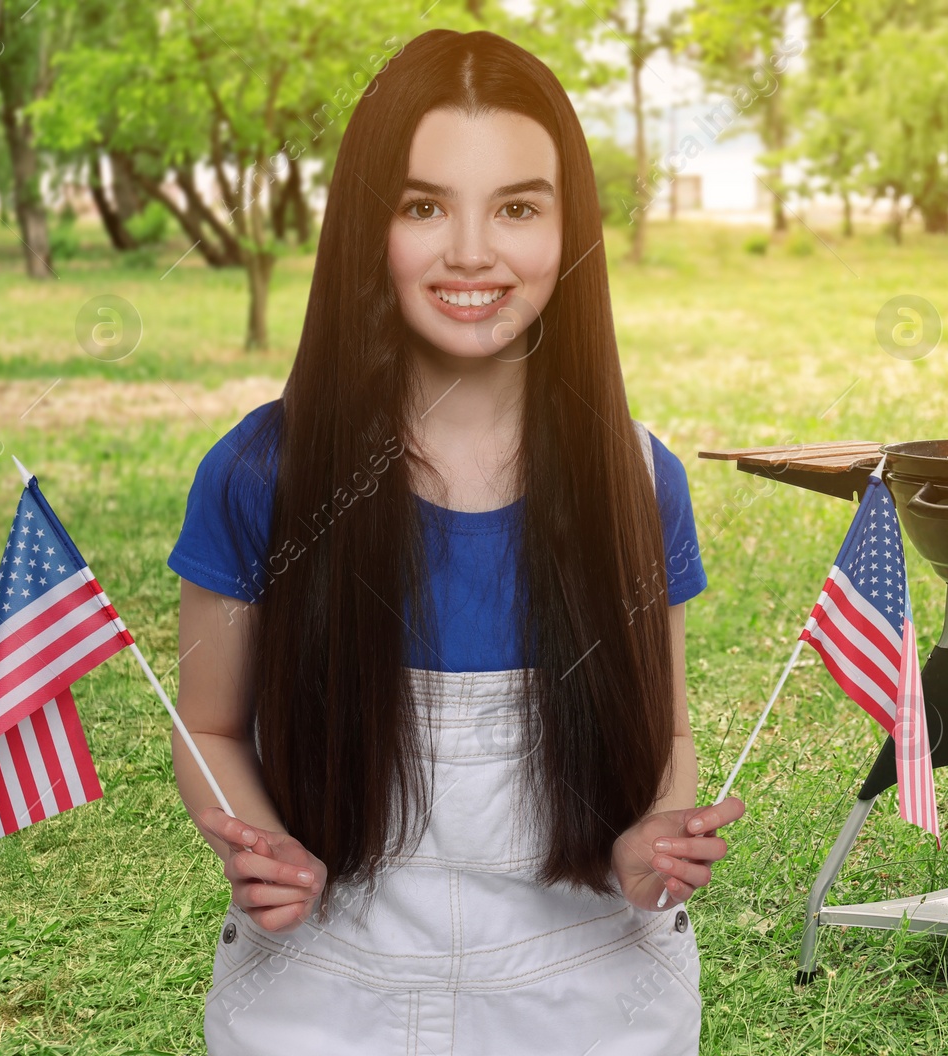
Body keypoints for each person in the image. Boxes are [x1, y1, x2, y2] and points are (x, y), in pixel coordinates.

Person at [165, 28, 744, 1054]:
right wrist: (253, 843)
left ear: (570, 230)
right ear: (364, 226)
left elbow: (670, 731)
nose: (471, 252)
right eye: (423, 205)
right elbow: (210, 731)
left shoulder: (638, 480)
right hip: (324, 985)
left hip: (587, 986)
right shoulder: (259, 476)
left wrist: (651, 832)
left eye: (517, 207)